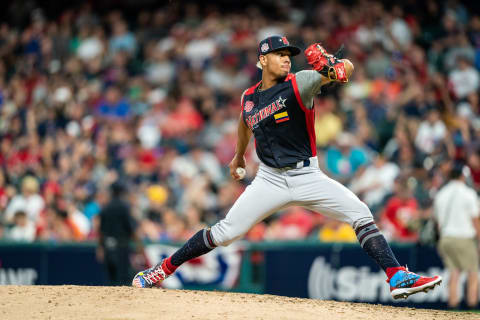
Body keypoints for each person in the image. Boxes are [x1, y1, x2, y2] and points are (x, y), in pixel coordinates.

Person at [132, 36, 442, 299]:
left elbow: (346, 70)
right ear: (262, 60)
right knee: (226, 233)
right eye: (280, 55)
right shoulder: (249, 97)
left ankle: (397, 276)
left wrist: (333, 66)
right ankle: (162, 269)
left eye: (289, 55)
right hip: (269, 180)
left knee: (360, 212)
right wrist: (239, 156)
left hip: (307, 175)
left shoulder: (301, 82)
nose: (286, 59)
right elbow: (244, 123)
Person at [434, 165, 480, 309]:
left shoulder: (441, 194)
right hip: (464, 237)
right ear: (462, 176)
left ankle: (453, 307)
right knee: (473, 273)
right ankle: (472, 306)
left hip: (446, 237)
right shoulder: (469, 193)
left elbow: (437, 223)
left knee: (453, 273)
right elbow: (475, 220)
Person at [98, 182, 139, 286]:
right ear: (121, 192)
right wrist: (138, 244)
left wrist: (100, 247)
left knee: (111, 278)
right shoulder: (125, 207)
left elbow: (101, 230)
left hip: (108, 246)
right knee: (124, 277)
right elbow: (130, 227)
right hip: (122, 246)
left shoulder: (105, 207)